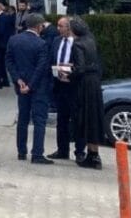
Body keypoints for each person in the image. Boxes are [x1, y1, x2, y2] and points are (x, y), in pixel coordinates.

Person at [6, 13, 53, 164]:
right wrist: (31, 85)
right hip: (38, 87)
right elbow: (41, 67)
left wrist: (18, 80)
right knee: (39, 120)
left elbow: (9, 61)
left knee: (23, 119)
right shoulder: (42, 44)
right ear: (39, 26)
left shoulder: (14, 40)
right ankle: (37, 153)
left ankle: (21, 152)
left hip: (21, 85)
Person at [68, 17, 105, 170]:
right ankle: (94, 153)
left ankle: (91, 156)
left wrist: (68, 73)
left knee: (85, 116)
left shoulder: (77, 44)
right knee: (94, 117)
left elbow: (80, 68)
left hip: (84, 84)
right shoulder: (91, 40)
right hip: (95, 82)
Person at [47, 17, 85, 162]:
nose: (58, 29)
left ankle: (80, 151)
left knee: (77, 119)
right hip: (59, 85)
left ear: (69, 28)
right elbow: (52, 58)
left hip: (73, 85)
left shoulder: (78, 42)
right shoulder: (56, 41)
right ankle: (62, 149)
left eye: (61, 26)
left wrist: (71, 70)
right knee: (61, 119)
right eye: (58, 26)